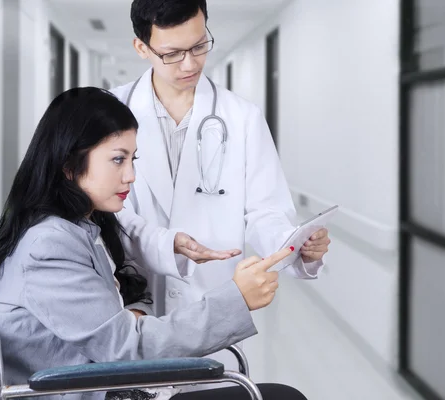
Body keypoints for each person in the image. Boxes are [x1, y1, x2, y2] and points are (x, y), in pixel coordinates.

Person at [0, 87, 307, 400]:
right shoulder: (49, 244)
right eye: (117, 159)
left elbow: (113, 306)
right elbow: (130, 349)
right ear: (69, 165)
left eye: (132, 159)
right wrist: (236, 298)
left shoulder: (77, 226)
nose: (130, 175)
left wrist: (133, 309)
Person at [111, 0, 331, 318]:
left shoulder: (242, 117)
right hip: (128, 308)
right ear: (141, 47)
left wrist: (294, 244)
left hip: (210, 304)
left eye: (200, 46)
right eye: (172, 54)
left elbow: (265, 211)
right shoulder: (108, 111)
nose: (190, 65)